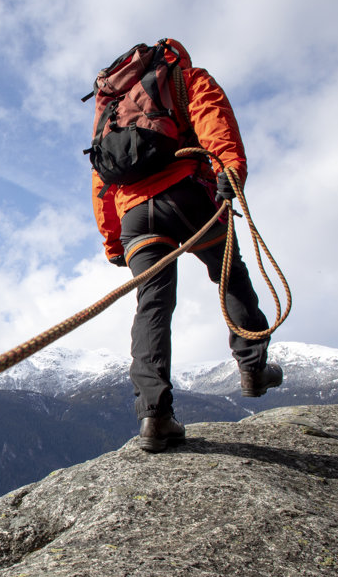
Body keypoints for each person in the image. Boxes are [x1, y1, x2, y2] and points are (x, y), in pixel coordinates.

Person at [91, 38, 282, 452]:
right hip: (188, 194)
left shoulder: (110, 110)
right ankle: (252, 368)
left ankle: (154, 417)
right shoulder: (184, 78)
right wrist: (230, 170)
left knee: (153, 304)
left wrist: (112, 241)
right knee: (228, 269)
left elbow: (101, 177)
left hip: (135, 215)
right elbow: (215, 122)